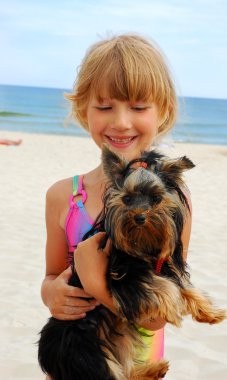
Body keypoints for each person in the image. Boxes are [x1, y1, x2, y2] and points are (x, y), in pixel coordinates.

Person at [40, 33, 192, 379]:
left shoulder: (172, 204)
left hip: (135, 364)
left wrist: (98, 287)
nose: (121, 122)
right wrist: (52, 293)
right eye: (105, 106)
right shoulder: (64, 196)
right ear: (83, 109)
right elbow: (51, 276)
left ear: (163, 111)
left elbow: (159, 316)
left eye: (138, 107)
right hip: (73, 359)